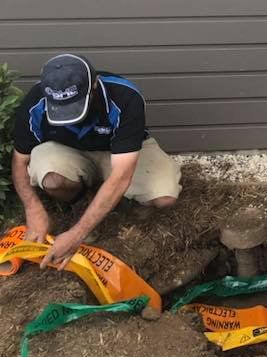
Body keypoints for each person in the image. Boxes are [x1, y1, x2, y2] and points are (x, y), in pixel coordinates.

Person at [10, 54, 181, 269]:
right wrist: (32, 209)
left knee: (164, 198)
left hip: (119, 153)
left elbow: (121, 175)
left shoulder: (125, 97)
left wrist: (77, 234)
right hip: (69, 151)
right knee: (52, 179)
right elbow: (19, 161)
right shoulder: (36, 101)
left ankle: (120, 207)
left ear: (93, 88)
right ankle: (82, 201)